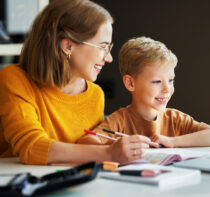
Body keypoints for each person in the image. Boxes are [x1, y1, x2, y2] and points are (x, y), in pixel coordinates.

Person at [0, 0, 153, 165]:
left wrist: (110, 147)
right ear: (67, 46)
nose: (108, 58)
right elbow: (31, 148)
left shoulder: (95, 95)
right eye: (103, 47)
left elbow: (86, 152)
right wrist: (108, 153)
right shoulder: (14, 79)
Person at [85, 36, 210, 148]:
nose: (167, 89)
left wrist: (173, 141)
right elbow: (86, 142)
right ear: (130, 83)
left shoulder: (175, 119)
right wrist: (115, 148)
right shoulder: (120, 120)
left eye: (171, 80)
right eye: (157, 82)